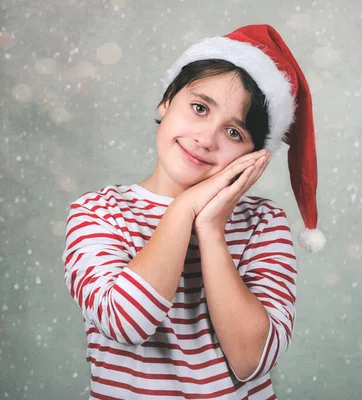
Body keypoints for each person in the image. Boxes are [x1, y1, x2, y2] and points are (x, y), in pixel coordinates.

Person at [62, 24, 325, 399]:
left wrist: (212, 230)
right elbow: (124, 321)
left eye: (234, 133)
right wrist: (183, 208)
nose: (206, 138)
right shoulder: (98, 212)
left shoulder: (263, 223)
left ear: (253, 156)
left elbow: (253, 359)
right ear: (166, 100)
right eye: (199, 108)